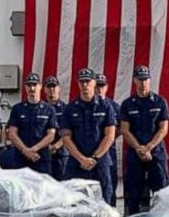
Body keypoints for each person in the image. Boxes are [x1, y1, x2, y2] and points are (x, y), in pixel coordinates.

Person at [119, 66, 169, 214]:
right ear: (135, 80)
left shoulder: (160, 102)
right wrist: (139, 149)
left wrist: (148, 147)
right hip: (135, 153)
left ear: (150, 80)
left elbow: (163, 129)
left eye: (145, 79)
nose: (143, 83)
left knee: (161, 191)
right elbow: (124, 130)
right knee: (133, 191)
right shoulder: (127, 104)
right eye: (140, 79)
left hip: (156, 152)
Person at [61, 68, 118, 204]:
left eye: (88, 81)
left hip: (100, 161)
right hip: (77, 163)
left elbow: (110, 135)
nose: (85, 85)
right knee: (74, 201)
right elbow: (66, 137)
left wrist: (94, 158)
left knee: (105, 200)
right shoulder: (70, 108)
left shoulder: (106, 107)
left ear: (94, 83)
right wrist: (82, 159)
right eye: (82, 82)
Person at [4, 73, 58, 174]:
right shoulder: (17, 109)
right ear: (25, 87)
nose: (32, 88)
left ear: (40, 86)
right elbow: (12, 133)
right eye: (29, 85)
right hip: (21, 158)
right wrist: (25, 151)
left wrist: (33, 149)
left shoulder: (49, 109)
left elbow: (51, 135)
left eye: (34, 85)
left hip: (41, 158)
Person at [96, 74, 121, 206]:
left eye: (102, 86)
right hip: (91, 150)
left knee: (110, 182)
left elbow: (123, 127)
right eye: (97, 85)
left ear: (107, 87)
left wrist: (110, 137)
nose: (99, 89)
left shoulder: (114, 106)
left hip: (109, 151)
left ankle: (111, 210)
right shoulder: (89, 105)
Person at [44, 76, 70, 181]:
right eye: (49, 87)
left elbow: (69, 132)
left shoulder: (66, 109)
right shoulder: (42, 108)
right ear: (44, 89)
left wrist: (55, 146)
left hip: (61, 153)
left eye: (54, 86)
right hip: (43, 153)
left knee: (62, 185)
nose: (51, 90)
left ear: (59, 88)